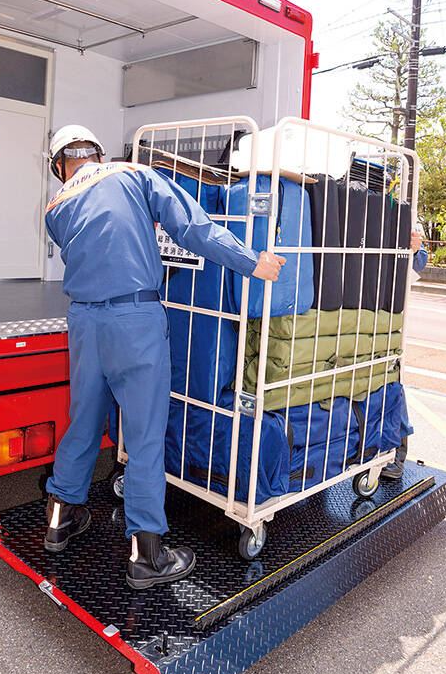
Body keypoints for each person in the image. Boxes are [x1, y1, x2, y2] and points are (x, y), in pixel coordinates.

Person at [42, 125, 285, 589]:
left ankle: (59, 519)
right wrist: (253, 262)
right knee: (145, 434)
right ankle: (147, 554)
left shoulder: (54, 208)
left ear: (60, 167)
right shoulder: (134, 174)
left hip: (84, 322)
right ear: (98, 152)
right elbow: (193, 229)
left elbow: (98, 248)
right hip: (134, 319)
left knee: (84, 422)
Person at [381, 227, 428, 481]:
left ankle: (397, 455)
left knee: (391, 381)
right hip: (357, 303)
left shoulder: (402, 215)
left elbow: (420, 262)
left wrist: (416, 247)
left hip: (388, 309)